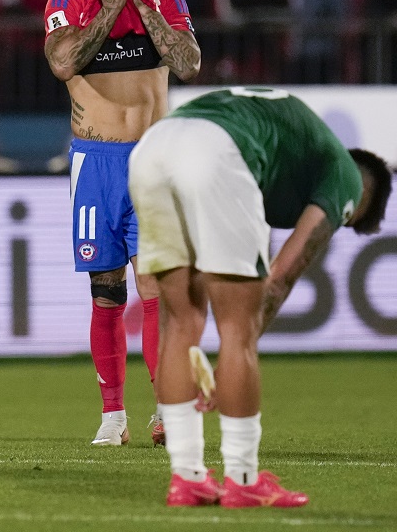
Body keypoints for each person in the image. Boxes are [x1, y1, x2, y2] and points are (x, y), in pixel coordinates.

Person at [128, 87, 392, 507]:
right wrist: (225, 363)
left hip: (151, 150)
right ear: (364, 196)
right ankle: (244, 479)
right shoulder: (345, 176)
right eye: (349, 217)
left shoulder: (294, 150)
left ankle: (188, 478)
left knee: (180, 323)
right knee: (238, 332)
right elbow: (282, 277)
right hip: (215, 150)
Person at [43, 0, 201, 447]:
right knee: (106, 294)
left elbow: (188, 62)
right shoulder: (68, 1)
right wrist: (112, 2)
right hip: (96, 165)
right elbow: (64, 62)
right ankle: (113, 417)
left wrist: (146, 3)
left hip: (154, 161)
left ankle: (167, 411)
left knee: (156, 288)